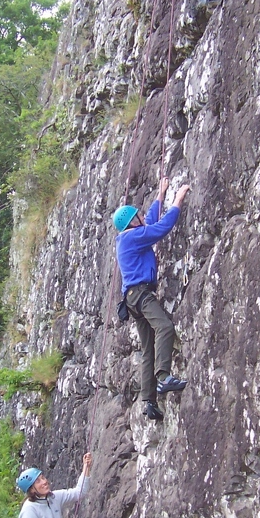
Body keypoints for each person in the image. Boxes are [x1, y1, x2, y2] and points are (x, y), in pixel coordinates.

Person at [113, 177, 191, 421]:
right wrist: (177, 200)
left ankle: (149, 402)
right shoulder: (131, 237)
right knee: (164, 327)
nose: (140, 218)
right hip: (141, 294)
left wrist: (160, 195)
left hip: (132, 299)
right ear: (130, 222)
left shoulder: (128, 237)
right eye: (135, 216)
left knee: (148, 349)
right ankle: (164, 377)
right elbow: (158, 229)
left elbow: (148, 221)